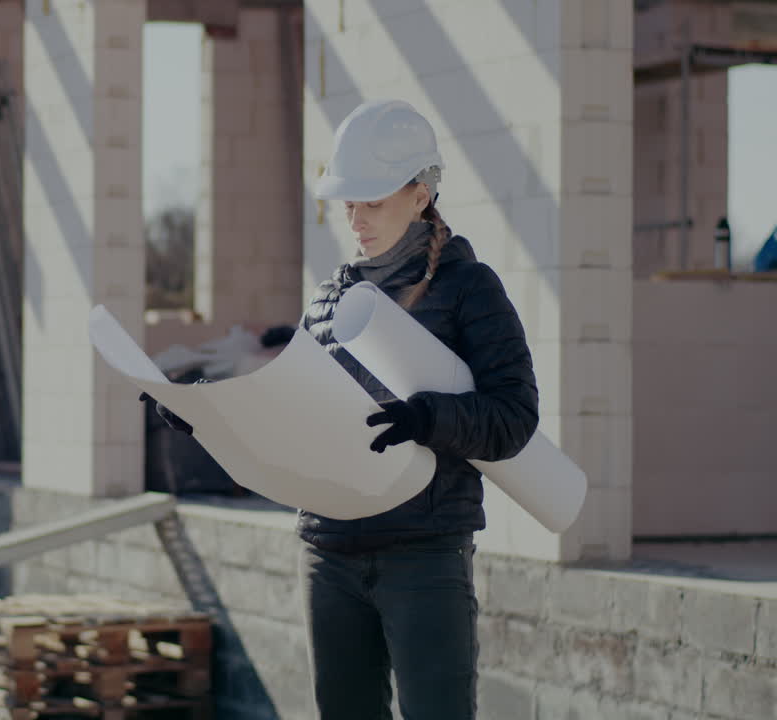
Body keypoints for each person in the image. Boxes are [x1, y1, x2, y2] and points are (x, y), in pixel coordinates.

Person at [147, 99, 539, 718]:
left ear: (421, 194)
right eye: (348, 203)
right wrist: (202, 413)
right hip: (328, 553)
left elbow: (515, 417)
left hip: (424, 553)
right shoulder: (329, 300)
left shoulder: (469, 289)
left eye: (373, 202)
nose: (355, 219)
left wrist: (428, 418)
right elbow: (291, 418)